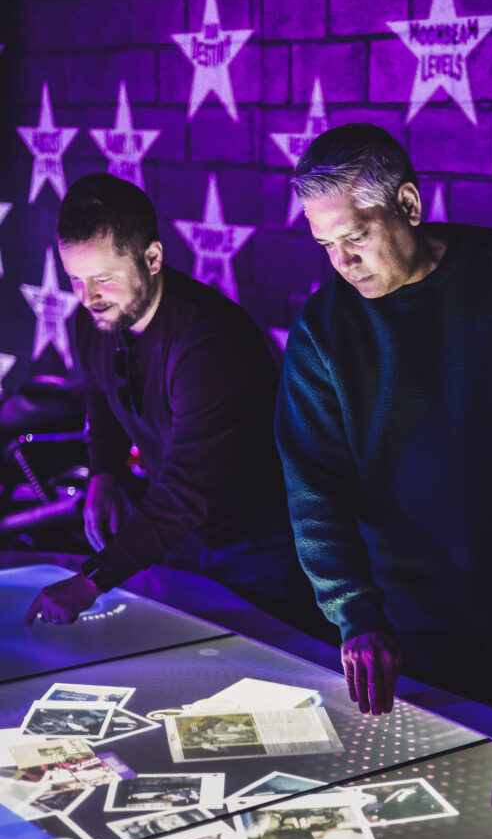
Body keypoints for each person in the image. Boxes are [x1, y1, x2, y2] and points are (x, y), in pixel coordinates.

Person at [275, 123, 492, 716]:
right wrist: (355, 613)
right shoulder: (322, 329)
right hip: (405, 619)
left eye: (355, 237)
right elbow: (313, 487)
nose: (343, 262)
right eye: (325, 246)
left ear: (407, 204)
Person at [24, 173, 314, 630]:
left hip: (260, 547)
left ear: (153, 257)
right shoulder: (97, 318)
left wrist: (90, 581)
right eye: (76, 279)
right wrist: (104, 472)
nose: (88, 297)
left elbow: (186, 489)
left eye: (102, 279)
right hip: (179, 538)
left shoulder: (208, 343)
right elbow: (102, 391)